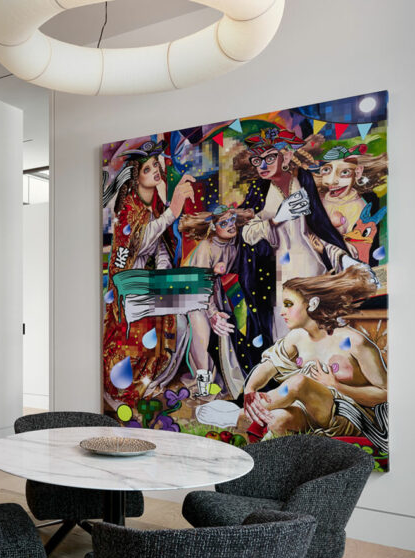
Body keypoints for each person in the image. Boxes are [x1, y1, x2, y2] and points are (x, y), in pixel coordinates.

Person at [234, 128, 353, 372]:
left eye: (269, 158)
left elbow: (318, 225)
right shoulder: (259, 190)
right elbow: (247, 233)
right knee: (285, 326)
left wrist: (340, 256)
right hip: (279, 271)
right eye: (257, 160)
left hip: (311, 265)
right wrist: (277, 218)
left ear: (285, 157)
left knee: (318, 324)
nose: (263, 165)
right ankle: (291, 378)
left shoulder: (304, 180)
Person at [241, 265, 388, 452]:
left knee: (300, 382)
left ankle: (237, 415)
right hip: (310, 410)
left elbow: (384, 394)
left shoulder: (354, 342)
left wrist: (337, 386)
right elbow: (269, 364)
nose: (281, 312)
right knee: (278, 419)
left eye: (288, 304)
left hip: (347, 414)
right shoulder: (297, 337)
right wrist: (250, 387)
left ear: (312, 304)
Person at [102, 139, 195, 416]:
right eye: (147, 169)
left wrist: (166, 275)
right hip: (131, 288)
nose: (155, 171)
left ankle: (153, 382)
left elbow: (161, 246)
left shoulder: (152, 203)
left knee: (181, 322)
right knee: (140, 335)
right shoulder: (128, 207)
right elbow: (139, 243)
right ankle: (133, 390)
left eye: (156, 165)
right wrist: (172, 212)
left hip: (150, 282)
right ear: (135, 176)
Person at [180, 205, 254, 397]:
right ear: (213, 227)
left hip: (217, 295)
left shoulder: (235, 241)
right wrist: (212, 313)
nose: (230, 225)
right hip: (194, 295)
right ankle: (203, 386)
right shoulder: (206, 247)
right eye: (224, 223)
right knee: (201, 334)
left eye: (232, 220)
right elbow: (201, 287)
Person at [313, 144, 387, 264]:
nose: (332, 181)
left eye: (344, 172)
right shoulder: (318, 200)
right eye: (327, 170)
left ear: (357, 173)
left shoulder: (358, 206)